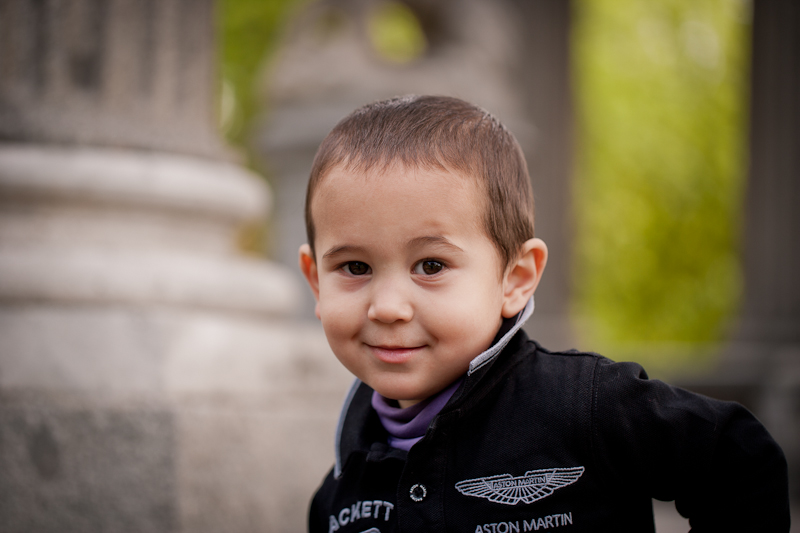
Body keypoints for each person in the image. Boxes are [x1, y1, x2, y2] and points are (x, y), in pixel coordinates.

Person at [298, 95, 789, 533]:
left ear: (514, 279)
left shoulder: (584, 406)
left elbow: (738, 458)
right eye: (355, 267)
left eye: (431, 266)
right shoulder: (337, 497)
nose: (387, 307)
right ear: (316, 281)